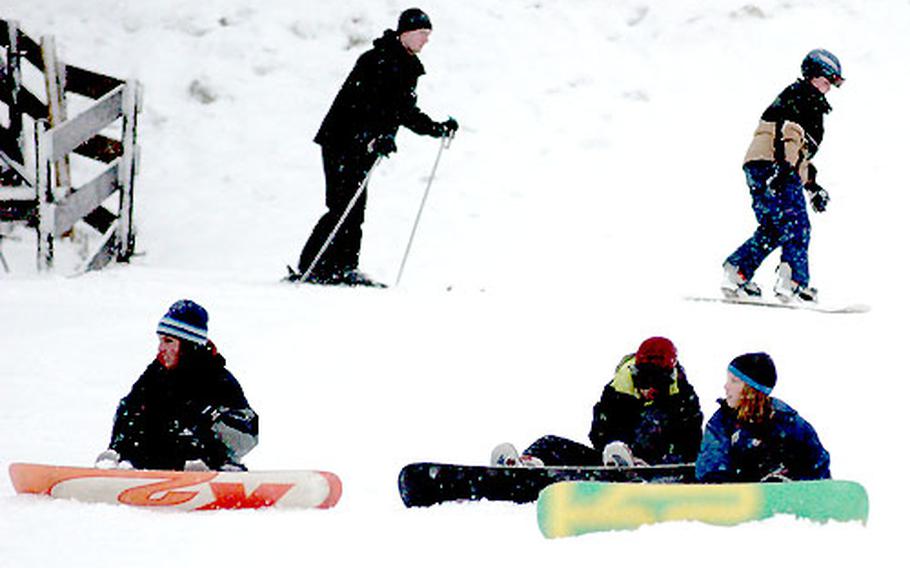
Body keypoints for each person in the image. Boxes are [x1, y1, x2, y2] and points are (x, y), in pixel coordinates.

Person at [294, 8, 459, 286]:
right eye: (422, 34)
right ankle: (314, 267)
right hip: (342, 140)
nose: (426, 40)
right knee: (342, 205)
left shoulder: (405, 67)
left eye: (428, 35)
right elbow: (360, 104)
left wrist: (436, 128)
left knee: (354, 207)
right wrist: (372, 136)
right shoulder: (378, 61)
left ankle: (343, 266)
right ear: (405, 33)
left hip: (365, 145)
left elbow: (403, 111)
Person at [721, 49, 845, 303]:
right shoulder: (802, 98)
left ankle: (738, 270)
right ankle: (794, 281)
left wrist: (811, 186)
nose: (829, 87)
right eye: (826, 80)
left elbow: (800, 152)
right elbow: (788, 136)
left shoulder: (805, 99)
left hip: (761, 165)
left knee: (775, 227)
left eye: (833, 83)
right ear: (811, 75)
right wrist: (782, 170)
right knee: (797, 225)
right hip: (774, 165)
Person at [95, 300, 258, 471]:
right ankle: (120, 460)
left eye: (168, 341)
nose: (161, 348)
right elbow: (131, 412)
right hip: (153, 463)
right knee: (131, 407)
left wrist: (211, 421)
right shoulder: (154, 375)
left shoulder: (218, 380)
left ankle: (209, 469)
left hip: (204, 464)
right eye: (160, 341)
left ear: (188, 345)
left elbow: (249, 431)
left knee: (209, 418)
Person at [492, 337, 703, 468]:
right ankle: (524, 465)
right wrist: (616, 449)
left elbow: (690, 447)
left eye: (656, 382)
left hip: (656, 468)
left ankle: (633, 465)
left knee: (653, 422)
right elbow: (599, 432)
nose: (648, 389)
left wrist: (655, 462)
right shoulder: (617, 392)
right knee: (550, 442)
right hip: (608, 462)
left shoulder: (683, 399)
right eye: (643, 381)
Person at [696, 352, 830, 482]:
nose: (726, 387)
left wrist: (787, 482)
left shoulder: (788, 423)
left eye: (734, 381)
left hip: (786, 500)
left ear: (751, 389)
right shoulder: (722, 422)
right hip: (738, 499)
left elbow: (817, 467)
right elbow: (712, 466)